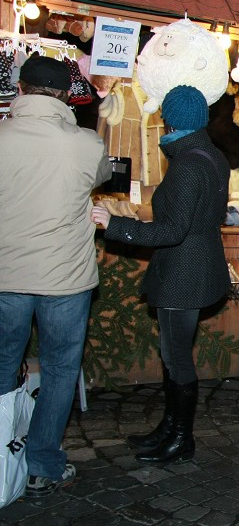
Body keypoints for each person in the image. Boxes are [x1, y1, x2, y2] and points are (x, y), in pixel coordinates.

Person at [92, 85, 230, 465]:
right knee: (174, 353)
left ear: (169, 118)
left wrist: (115, 224)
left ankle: (181, 439)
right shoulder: (211, 155)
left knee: (176, 356)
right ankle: (169, 428)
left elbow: (172, 231)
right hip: (197, 264)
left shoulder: (188, 164)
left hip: (183, 273)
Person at [0, 55, 111, 497]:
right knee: (61, 369)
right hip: (65, 276)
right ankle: (43, 463)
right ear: (67, 95)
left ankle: (1, 456)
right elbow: (102, 176)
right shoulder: (85, 143)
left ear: (21, 89)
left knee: (4, 363)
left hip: (6, 272)